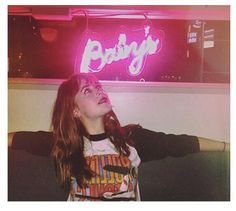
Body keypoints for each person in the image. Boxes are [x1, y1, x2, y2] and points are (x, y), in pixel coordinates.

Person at [8, 73, 230, 201]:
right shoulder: (66, 145)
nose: (99, 91)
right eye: (88, 91)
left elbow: (182, 143)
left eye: (99, 87)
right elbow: (18, 139)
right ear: (74, 110)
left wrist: (227, 147)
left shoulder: (131, 139)